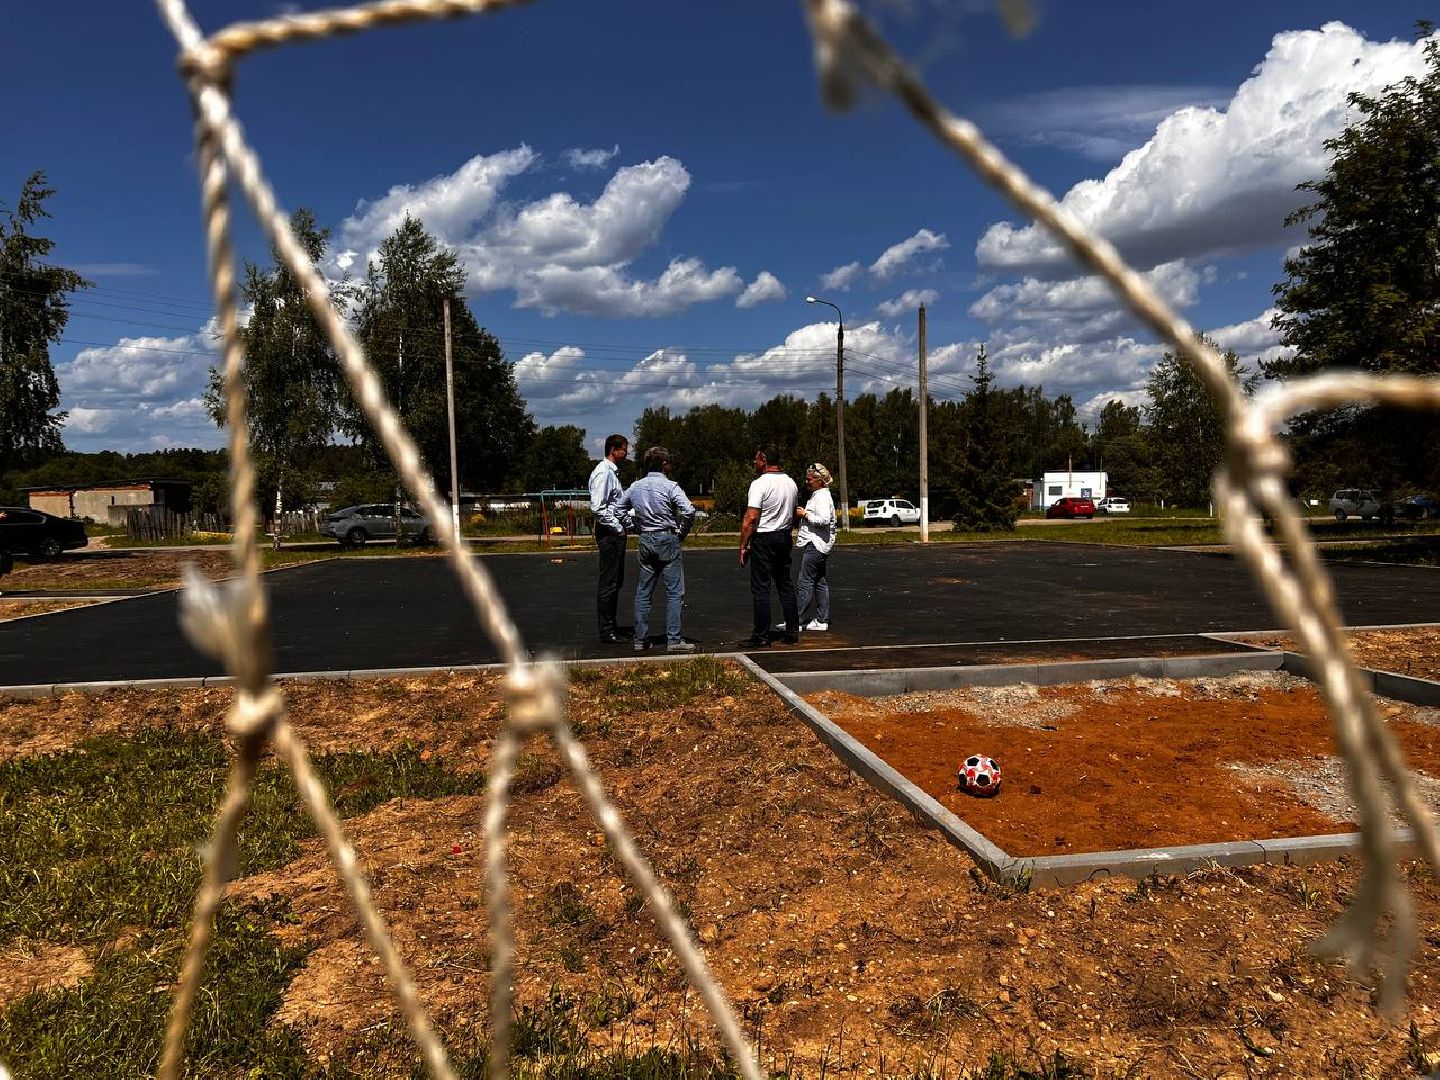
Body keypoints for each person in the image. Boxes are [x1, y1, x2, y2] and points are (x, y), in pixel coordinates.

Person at [620, 446, 697, 653]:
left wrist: (633, 526)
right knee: (674, 592)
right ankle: (673, 640)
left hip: (646, 537)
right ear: (664, 464)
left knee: (644, 591)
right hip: (667, 537)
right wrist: (682, 532)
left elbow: (619, 508)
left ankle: (640, 639)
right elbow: (689, 510)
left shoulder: (636, 486)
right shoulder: (670, 486)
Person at [738, 444, 799, 648]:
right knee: (785, 584)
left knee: (761, 588)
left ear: (764, 460)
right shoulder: (791, 483)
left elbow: (751, 518)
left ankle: (761, 635)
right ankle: (792, 631)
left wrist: (743, 546)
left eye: (756, 459)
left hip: (764, 537)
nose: (755, 462)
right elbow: (791, 514)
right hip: (783, 536)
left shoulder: (759, 484)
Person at [588, 433, 629, 643]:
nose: (627, 453)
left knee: (615, 581)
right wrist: (617, 528)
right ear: (614, 450)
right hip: (610, 534)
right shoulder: (604, 473)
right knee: (609, 582)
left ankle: (611, 625)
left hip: (615, 533)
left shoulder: (611, 473)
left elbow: (615, 505)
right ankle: (606, 630)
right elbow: (598, 507)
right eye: (624, 449)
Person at [792, 462, 836, 631]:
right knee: (819, 581)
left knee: (805, 582)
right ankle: (822, 620)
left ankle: (797, 620)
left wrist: (805, 514)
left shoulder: (822, 497)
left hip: (816, 544)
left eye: (809, 479)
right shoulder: (819, 495)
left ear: (819, 481)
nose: (807, 481)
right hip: (820, 544)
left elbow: (824, 520)